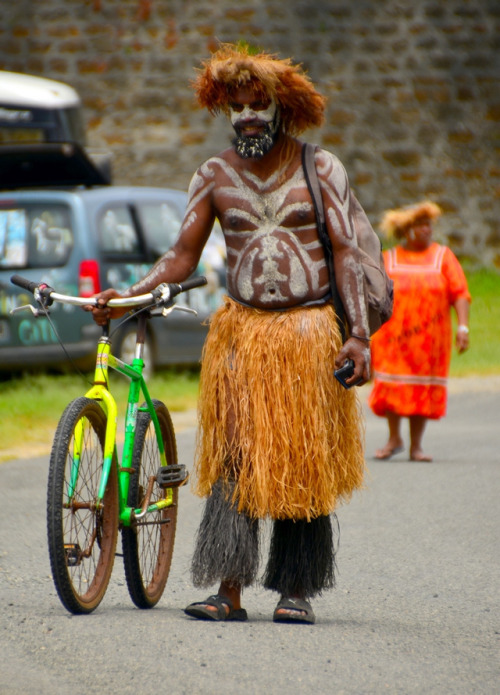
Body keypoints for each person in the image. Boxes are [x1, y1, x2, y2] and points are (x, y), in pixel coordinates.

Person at [88, 44, 371, 624]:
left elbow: (346, 251)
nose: (246, 117)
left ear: (281, 107)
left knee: (300, 458)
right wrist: (129, 296)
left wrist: (359, 335)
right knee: (236, 455)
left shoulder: (322, 169)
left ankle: (296, 591)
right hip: (242, 334)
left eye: (257, 105)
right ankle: (229, 589)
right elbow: (182, 255)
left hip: (308, 330)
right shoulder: (213, 175)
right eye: (236, 107)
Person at [368, 201, 471, 462]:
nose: (426, 230)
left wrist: (463, 326)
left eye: (428, 225)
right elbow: (374, 296)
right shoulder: (388, 259)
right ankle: (394, 438)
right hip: (393, 339)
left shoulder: (443, 257)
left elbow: (460, 293)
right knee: (391, 386)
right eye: (420, 225)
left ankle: (416, 446)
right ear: (406, 230)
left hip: (430, 340)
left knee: (422, 389)